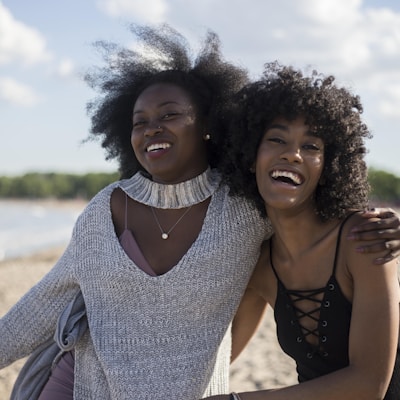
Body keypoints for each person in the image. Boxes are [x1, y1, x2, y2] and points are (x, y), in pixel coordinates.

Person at [0, 25, 399, 400]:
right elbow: (38, 309)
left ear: (207, 124)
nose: (153, 128)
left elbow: (306, 212)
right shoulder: (103, 212)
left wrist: (388, 222)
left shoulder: (245, 211)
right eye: (141, 122)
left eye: (170, 115)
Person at [204, 63, 400, 400]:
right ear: (251, 156)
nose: (292, 154)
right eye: (277, 139)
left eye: (311, 146)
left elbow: (369, 386)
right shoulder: (260, 264)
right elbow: (216, 358)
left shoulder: (363, 239)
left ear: (328, 166)